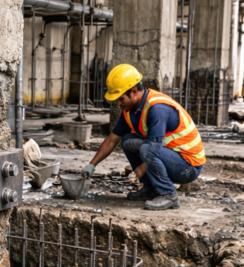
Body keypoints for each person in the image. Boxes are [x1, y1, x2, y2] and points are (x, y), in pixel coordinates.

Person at [81, 64, 206, 211]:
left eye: (120, 98)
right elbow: (112, 139)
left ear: (133, 91)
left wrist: (141, 168)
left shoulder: (157, 108)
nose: (118, 103)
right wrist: (92, 165)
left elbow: (153, 148)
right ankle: (151, 188)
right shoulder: (130, 110)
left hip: (188, 166)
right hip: (171, 156)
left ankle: (168, 195)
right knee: (127, 140)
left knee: (147, 149)